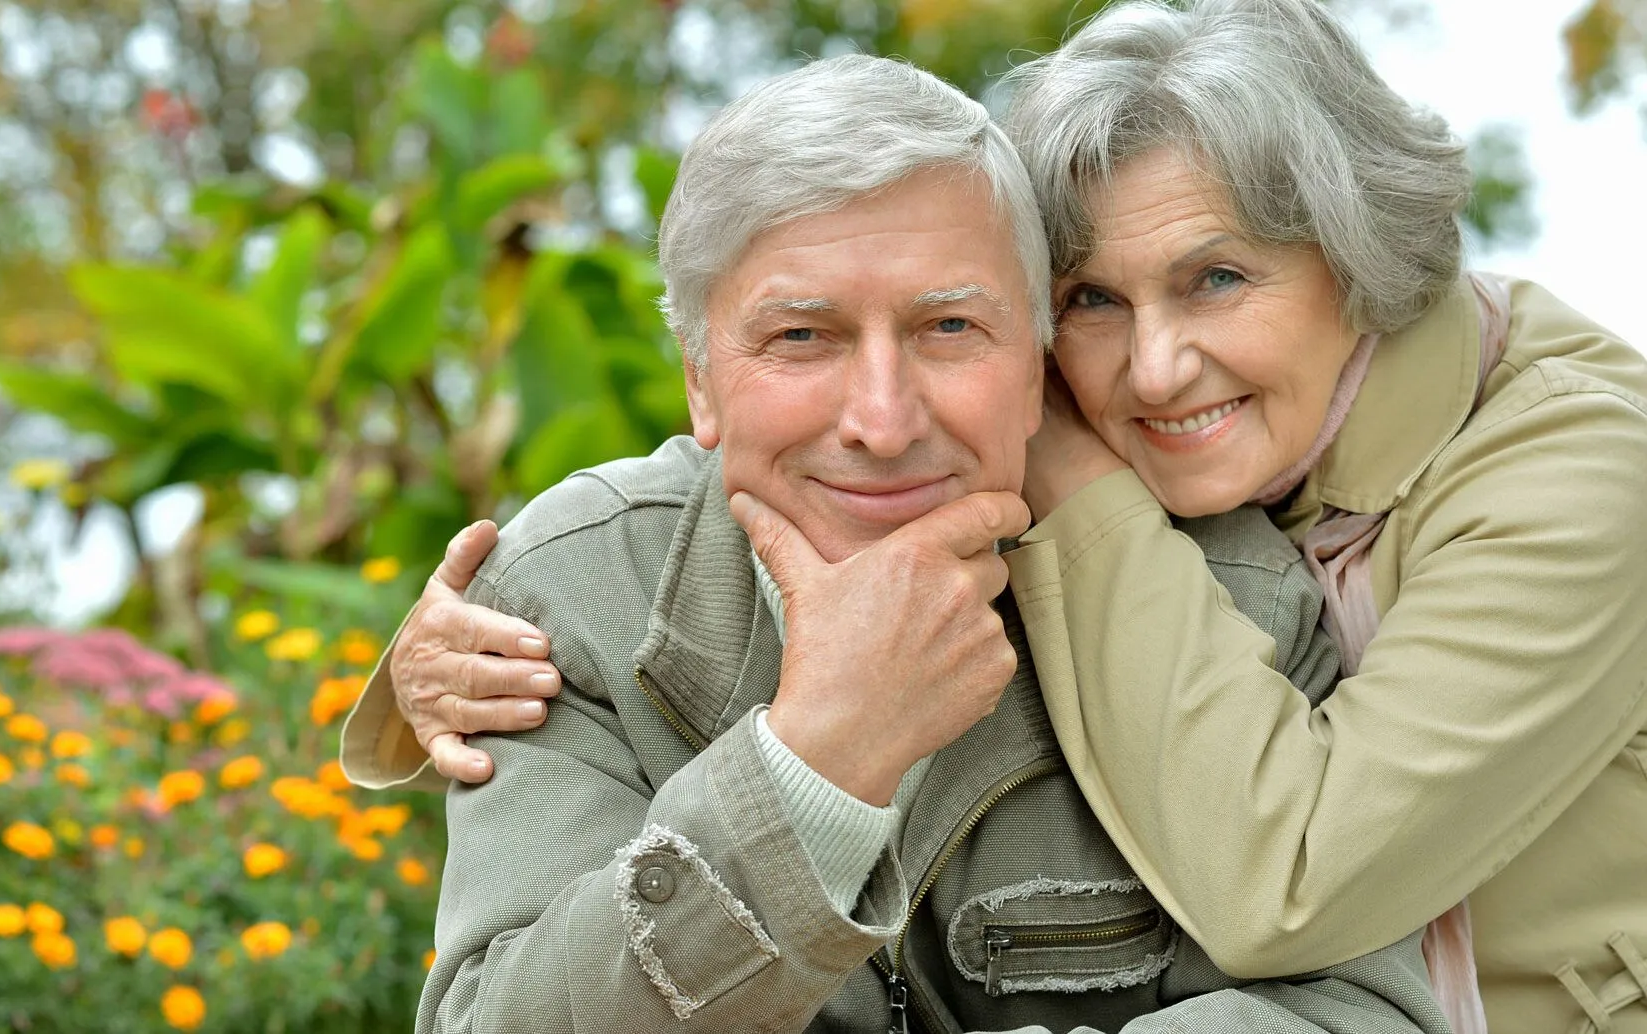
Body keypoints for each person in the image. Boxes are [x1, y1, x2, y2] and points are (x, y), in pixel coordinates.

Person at [345, 1, 1647, 1032]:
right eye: (1092, 298)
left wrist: (1054, 463)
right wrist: (493, 623)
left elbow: (1305, 910)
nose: (1150, 370)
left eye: (1218, 277)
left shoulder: (1564, 479)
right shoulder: (584, 580)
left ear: (1360, 262)